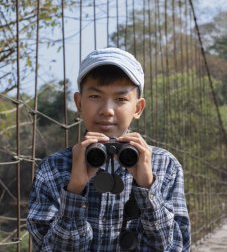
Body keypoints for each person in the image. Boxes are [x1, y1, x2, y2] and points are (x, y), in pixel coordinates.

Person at [27, 47, 191, 251]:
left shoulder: (165, 166)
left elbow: (174, 247)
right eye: (95, 96)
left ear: (138, 108)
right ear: (79, 103)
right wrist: (74, 190)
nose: (107, 110)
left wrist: (148, 188)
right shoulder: (53, 169)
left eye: (121, 99)